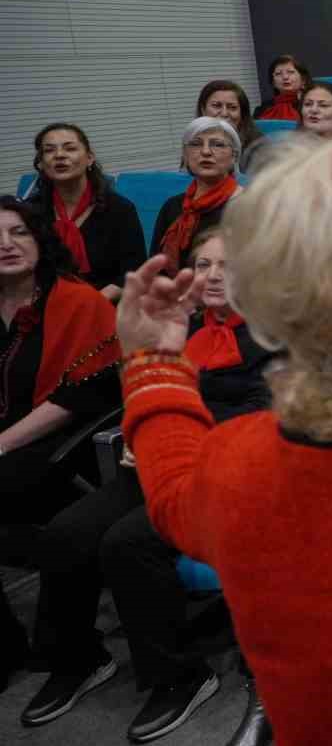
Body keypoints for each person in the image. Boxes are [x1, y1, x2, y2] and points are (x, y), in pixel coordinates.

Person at [17, 230, 271, 746]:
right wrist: (141, 433)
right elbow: (139, 389)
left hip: (226, 473)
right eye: (202, 264)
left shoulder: (277, 337)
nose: (214, 274)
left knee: (126, 543)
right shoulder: (188, 329)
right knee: (64, 535)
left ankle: (181, 676)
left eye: (229, 263)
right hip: (157, 460)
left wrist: (168, 434)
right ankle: (78, 659)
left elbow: (259, 421)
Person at [0, 196, 121, 697]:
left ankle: (65, 651)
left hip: (61, 444)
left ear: (39, 240)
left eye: (17, 233)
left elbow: (83, 395)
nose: (5, 245)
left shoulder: (77, 301)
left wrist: (1, 443)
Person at [25, 124, 144, 297]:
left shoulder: (119, 209)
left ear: (89, 158)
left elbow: (134, 271)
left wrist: (91, 304)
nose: (59, 155)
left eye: (70, 148)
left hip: (105, 303)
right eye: (49, 151)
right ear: (41, 164)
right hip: (47, 303)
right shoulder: (31, 212)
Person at [152, 118, 244, 269]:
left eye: (217, 144)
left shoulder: (249, 206)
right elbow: (155, 268)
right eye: (196, 144)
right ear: (185, 155)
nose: (206, 151)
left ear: (233, 156)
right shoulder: (172, 206)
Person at [197, 80, 263, 166]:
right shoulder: (194, 142)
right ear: (203, 110)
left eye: (232, 107)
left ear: (242, 113)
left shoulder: (257, 146)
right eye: (216, 105)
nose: (224, 113)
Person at [255, 55, 310, 121]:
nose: (285, 77)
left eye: (290, 72)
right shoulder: (263, 109)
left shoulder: (311, 106)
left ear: (303, 80)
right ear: (273, 82)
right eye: (278, 74)